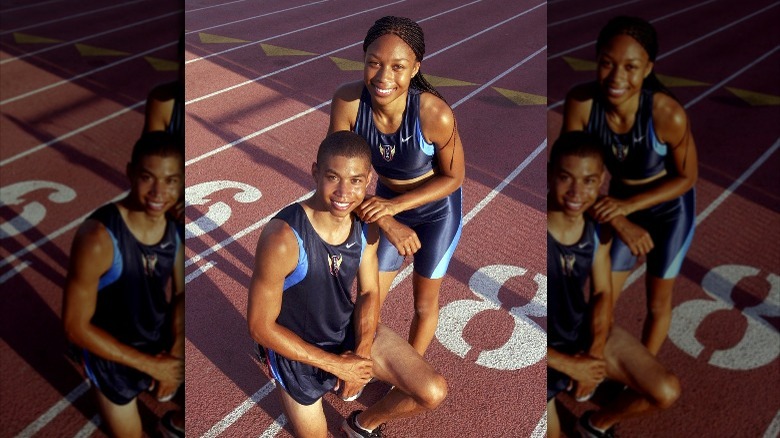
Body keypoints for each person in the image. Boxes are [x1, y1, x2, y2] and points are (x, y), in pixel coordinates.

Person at [247, 131, 447, 438]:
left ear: (368, 180)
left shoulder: (365, 225)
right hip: (297, 352)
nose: (344, 192)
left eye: (355, 180)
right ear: (315, 172)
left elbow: (368, 291)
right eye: (332, 177)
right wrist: (339, 367)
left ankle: (361, 425)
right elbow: (260, 326)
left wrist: (362, 356)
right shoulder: (282, 239)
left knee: (432, 391)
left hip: (345, 331)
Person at [328, 16, 465, 356]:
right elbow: (336, 177)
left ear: (416, 68)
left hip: (437, 213)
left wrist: (393, 208)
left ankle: (408, 372)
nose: (383, 77)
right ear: (362, 59)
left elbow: (454, 178)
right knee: (369, 292)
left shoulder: (435, 114)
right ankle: (359, 359)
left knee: (423, 303)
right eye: (374, 63)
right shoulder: (348, 103)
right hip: (384, 204)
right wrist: (386, 218)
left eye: (398, 67)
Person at [561, 15, 698, 355]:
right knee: (603, 293)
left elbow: (687, 177)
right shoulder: (582, 104)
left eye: (631, 67)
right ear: (595, 60)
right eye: (607, 64)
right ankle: (592, 361)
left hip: (669, 210)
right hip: (617, 203)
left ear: (648, 68)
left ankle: (640, 375)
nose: (617, 77)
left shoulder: (668, 114)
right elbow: (565, 173)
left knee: (657, 302)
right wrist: (619, 217)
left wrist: (627, 207)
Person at [546, 131, 680, 438]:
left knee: (666, 390)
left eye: (589, 181)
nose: (576, 192)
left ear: (602, 179)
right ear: (551, 172)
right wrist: (570, 365)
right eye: (567, 178)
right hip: (543, 345)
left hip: (578, 331)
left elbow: (603, 293)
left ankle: (597, 424)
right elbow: (515, 322)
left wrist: (592, 356)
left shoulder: (597, 229)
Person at [62, 131, 185, 437]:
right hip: (109, 355)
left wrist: (175, 353)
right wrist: (154, 367)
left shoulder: (175, 227)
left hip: (156, 337)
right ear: (130, 173)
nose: (159, 192)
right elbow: (75, 326)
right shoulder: (97, 239)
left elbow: (182, 293)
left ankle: (176, 424)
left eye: (171, 180)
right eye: (147, 177)